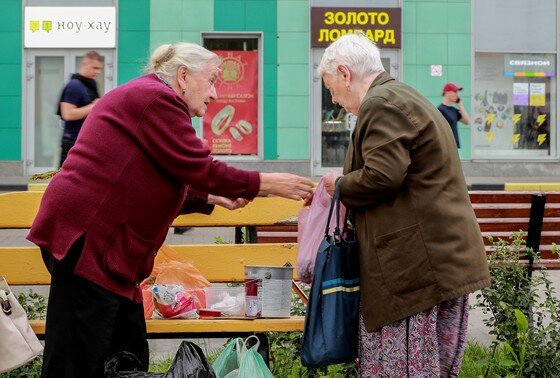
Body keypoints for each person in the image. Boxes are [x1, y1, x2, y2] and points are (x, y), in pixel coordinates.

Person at [28, 42, 314, 378]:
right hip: (88, 244)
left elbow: (157, 174)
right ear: (182, 76)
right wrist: (267, 183)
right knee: (79, 361)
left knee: (126, 352)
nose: (214, 93)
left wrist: (210, 198)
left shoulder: (151, 98)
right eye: (210, 80)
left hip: (106, 252)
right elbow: (197, 166)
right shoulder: (156, 99)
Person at [313, 34, 490, 376]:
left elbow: (382, 176)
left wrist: (339, 184)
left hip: (416, 271)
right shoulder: (400, 96)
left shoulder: (381, 103)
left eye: (330, 86)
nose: (333, 97)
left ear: (345, 73)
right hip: (435, 263)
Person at [57, 50, 103, 167]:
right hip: (72, 142)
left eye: (99, 69)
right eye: (94, 68)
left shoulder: (91, 85)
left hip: (85, 141)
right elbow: (67, 114)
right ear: (85, 64)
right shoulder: (74, 85)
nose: (97, 72)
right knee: (64, 182)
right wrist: (93, 106)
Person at [437, 82, 471, 148]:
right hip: (445, 146)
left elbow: (467, 122)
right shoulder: (440, 110)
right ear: (447, 93)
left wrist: (460, 106)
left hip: (454, 146)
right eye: (455, 92)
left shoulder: (454, 110)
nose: (457, 95)